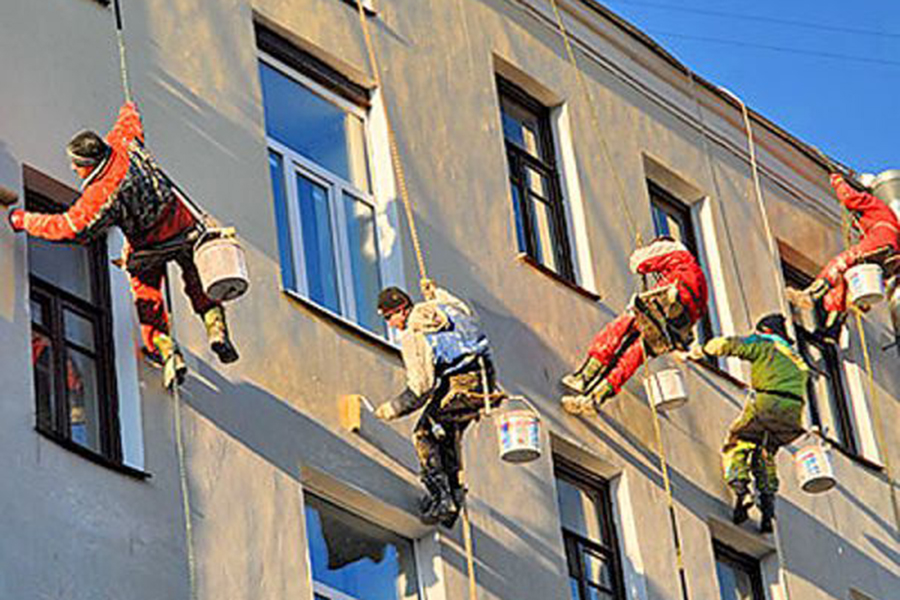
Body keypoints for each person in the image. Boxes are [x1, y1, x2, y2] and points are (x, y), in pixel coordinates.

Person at [8, 102, 238, 389]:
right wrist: (128, 108)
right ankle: (215, 328)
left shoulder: (101, 195)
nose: (73, 169)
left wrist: (23, 220)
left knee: (148, 296)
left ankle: (165, 350)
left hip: (150, 247)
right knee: (197, 280)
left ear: (88, 164)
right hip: (185, 226)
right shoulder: (124, 142)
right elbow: (130, 121)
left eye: (76, 164)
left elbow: (69, 228)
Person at [374, 282, 496, 527]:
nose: (390, 324)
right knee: (447, 436)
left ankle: (442, 498)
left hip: (460, 383)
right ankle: (453, 498)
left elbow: (421, 387)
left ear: (401, 310)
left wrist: (393, 409)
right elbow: (462, 308)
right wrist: (437, 292)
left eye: (389, 317)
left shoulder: (413, 333)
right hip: (485, 377)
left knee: (424, 433)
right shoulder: (443, 307)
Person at [561, 236, 708, 415]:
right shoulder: (699, 279)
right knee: (634, 354)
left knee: (619, 328)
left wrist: (642, 254)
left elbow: (639, 263)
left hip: (662, 306)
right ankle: (595, 398)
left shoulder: (677, 252)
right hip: (674, 328)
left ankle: (584, 377)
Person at [694, 314, 808, 534]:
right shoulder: (796, 358)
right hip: (792, 414)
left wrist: (702, 350)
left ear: (764, 330)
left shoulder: (765, 344)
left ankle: (740, 489)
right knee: (765, 453)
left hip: (768, 402)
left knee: (739, 441)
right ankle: (767, 506)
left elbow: (732, 345)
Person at [795, 173, 900, 341]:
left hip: (882, 239)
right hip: (888, 248)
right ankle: (834, 324)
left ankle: (813, 293)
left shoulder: (875, 205)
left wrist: (837, 181)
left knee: (840, 262)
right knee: (844, 278)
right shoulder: (881, 222)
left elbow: (850, 198)